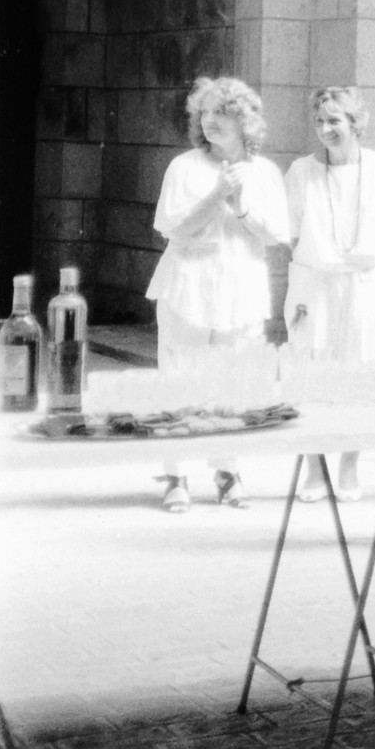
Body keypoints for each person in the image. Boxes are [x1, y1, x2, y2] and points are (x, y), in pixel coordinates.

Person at [146, 77, 288, 513]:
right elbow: (174, 228)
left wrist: (241, 204)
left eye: (220, 113)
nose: (209, 121)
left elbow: (276, 233)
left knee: (234, 381)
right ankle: (176, 475)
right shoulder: (184, 167)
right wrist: (217, 195)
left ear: (244, 121)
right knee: (180, 379)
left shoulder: (264, 172)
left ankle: (228, 472)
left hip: (241, 287)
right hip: (188, 286)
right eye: (204, 112)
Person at [284, 86, 375, 503]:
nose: (325, 129)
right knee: (310, 374)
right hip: (315, 284)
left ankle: (348, 467)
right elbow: (292, 234)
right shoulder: (301, 171)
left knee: (359, 373)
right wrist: (324, 260)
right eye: (319, 121)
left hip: (365, 285)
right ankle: (314, 470)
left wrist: (359, 258)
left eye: (334, 120)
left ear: (356, 123)